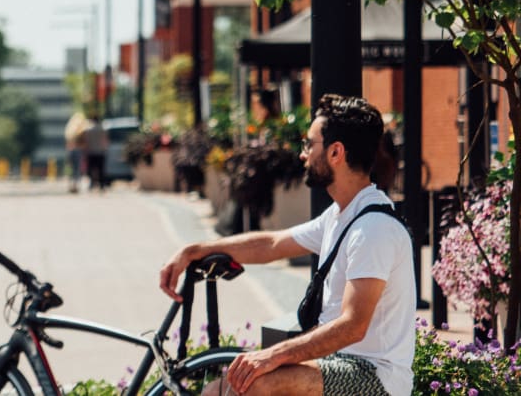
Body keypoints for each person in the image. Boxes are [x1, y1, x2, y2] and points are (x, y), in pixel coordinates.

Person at [157, 94, 413, 396]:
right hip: (337, 364)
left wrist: (272, 355)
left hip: (373, 377)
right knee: (219, 389)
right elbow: (272, 244)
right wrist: (195, 250)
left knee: (259, 382)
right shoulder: (340, 215)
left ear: (335, 152)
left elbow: (352, 326)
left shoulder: (373, 229)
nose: (303, 154)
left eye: (309, 144)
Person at [82, 112, 108, 192]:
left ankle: (92, 184)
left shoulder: (88, 129)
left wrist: (85, 150)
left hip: (91, 152)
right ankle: (102, 185)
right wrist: (104, 148)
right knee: (101, 169)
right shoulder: (102, 128)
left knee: (91, 169)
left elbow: (86, 141)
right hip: (100, 151)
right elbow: (105, 140)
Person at [63, 112, 88, 193]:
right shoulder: (81, 129)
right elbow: (83, 143)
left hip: (70, 150)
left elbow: (67, 143)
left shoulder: (70, 129)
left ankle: (71, 185)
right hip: (78, 151)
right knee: (77, 169)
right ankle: (76, 186)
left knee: (72, 169)